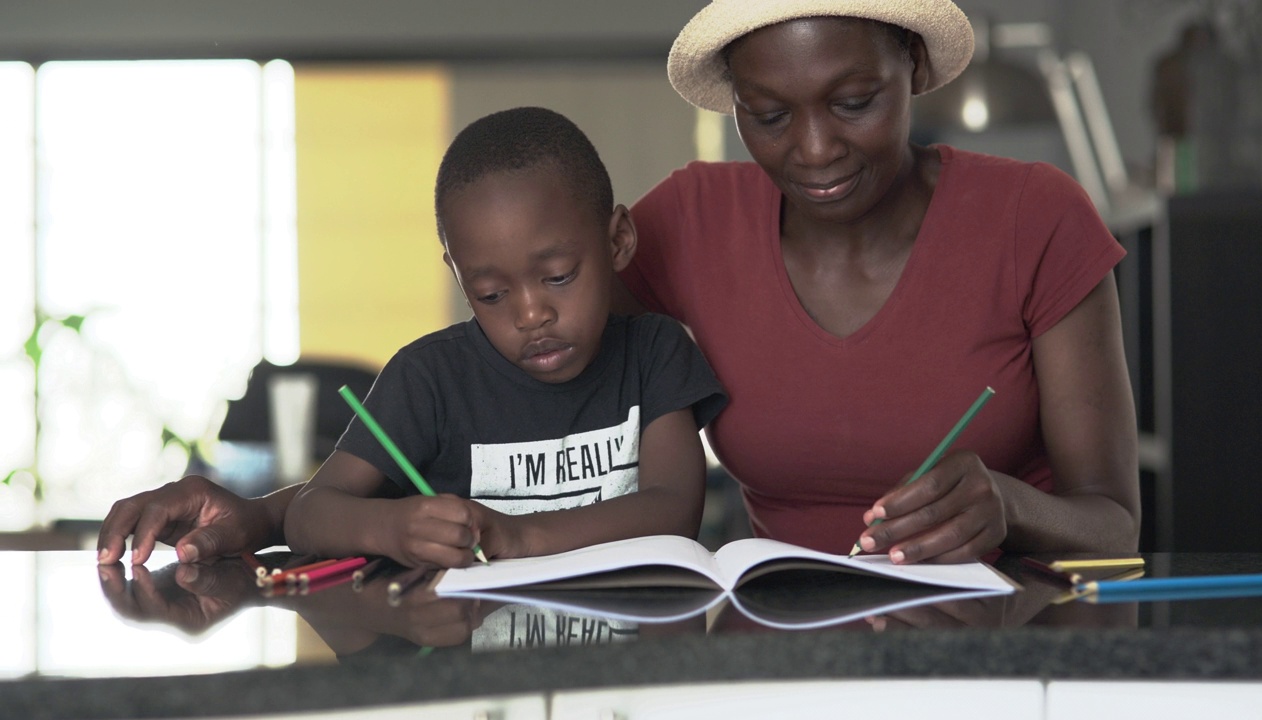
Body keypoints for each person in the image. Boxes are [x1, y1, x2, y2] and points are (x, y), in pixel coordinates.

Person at [100, 0, 1139, 567]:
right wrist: (262, 513)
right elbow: (507, 393)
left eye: (856, 100)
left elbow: (1111, 518)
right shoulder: (683, 223)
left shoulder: (1033, 216)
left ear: (913, 65)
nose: (815, 148)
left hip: (1008, 627)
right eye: (769, 116)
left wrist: (1002, 504)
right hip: (772, 628)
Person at [99, 107, 725, 568]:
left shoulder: (655, 352)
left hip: (635, 657)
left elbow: (673, 508)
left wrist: (515, 536)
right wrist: (388, 528)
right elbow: (313, 511)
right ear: (456, 273)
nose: (532, 313)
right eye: (491, 294)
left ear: (617, 240)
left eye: (558, 276)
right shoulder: (430, 378)